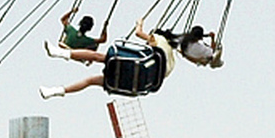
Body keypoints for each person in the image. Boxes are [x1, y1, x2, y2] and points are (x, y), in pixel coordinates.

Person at [40, 21, 174, 97]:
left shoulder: (159, 39)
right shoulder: (171, 63)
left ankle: (60, 53)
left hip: (128, 65)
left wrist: (139, 23)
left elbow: (139, 33)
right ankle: (56, 91)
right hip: (128, 82)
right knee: (90, 81)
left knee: (97, 56)